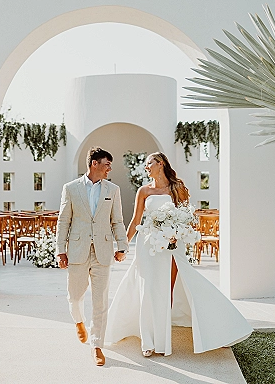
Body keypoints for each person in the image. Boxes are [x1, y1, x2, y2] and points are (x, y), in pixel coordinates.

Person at [105, 152, 252, 357]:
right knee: (147, 290)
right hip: (148, 246)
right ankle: (148, 341)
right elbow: (136, 220)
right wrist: (123, 246)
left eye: (149, 163)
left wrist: (176, 233)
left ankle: (219, 329)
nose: (146, 167)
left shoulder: (177, 188)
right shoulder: (144, 191)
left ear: (161, 163)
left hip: (172, 245)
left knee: (170, 289)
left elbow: (189, 217)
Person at [56, 147, 129, 366]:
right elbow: (63, 221)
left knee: (101, 301)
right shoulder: (70, 188)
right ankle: (78, 321)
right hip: (77, 251)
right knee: (75, 297)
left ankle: (96, 345)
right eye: (107, 164)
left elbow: (117, 220)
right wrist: (60, 251)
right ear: (94, 163)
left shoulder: (113, 189)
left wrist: (122, 246)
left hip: (103, 252)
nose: (109, 168)